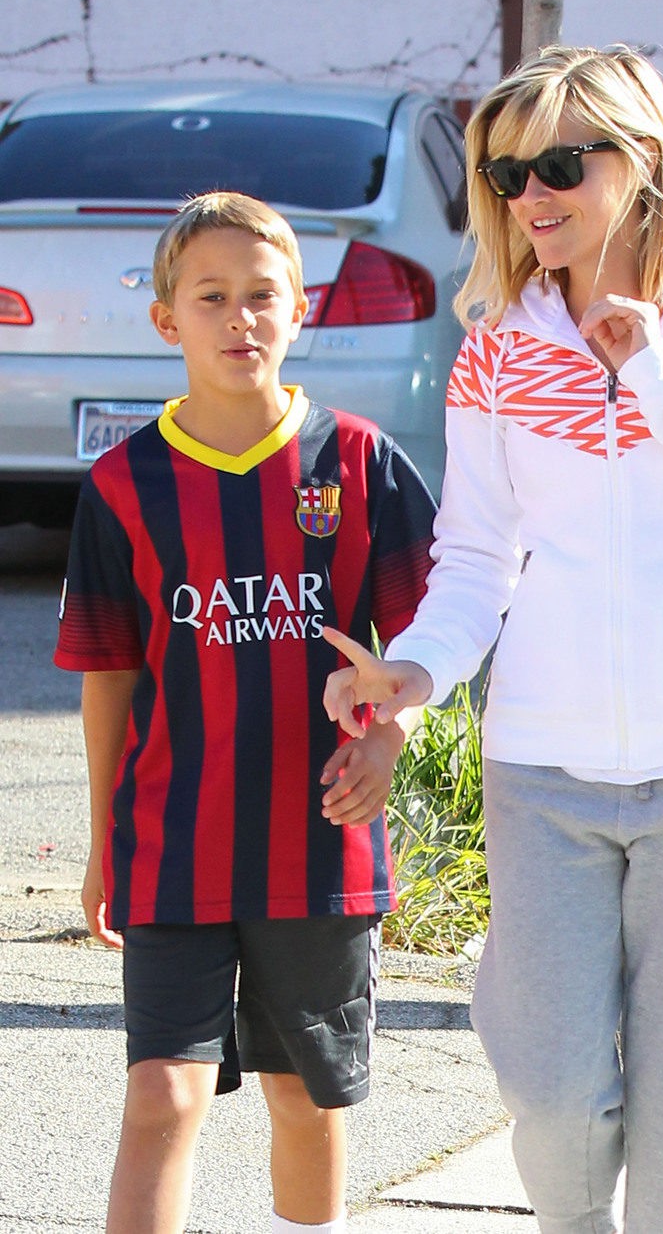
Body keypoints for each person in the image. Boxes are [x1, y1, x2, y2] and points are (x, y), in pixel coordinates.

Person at [322, 44, 663, 1234]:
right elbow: (473, 558)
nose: (528, 197)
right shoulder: (498, 344)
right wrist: (415, 669)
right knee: (553, 1105)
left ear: (641, 160)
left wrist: (654, 370)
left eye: (559, 162)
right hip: (542, 766)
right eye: (505, 175)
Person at [54, 191, 436, 1234]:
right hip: (174, 844)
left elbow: (430, 644)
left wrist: (391, 737)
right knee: (163, 1092)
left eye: (263, 296)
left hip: (315, 845)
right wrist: (102, 844)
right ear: (166, 320)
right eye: (212, 297)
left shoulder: (357, 463)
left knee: (300, 1096)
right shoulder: (124, 486)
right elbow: (109, 676)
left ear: (300, 309)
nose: (241, 319)